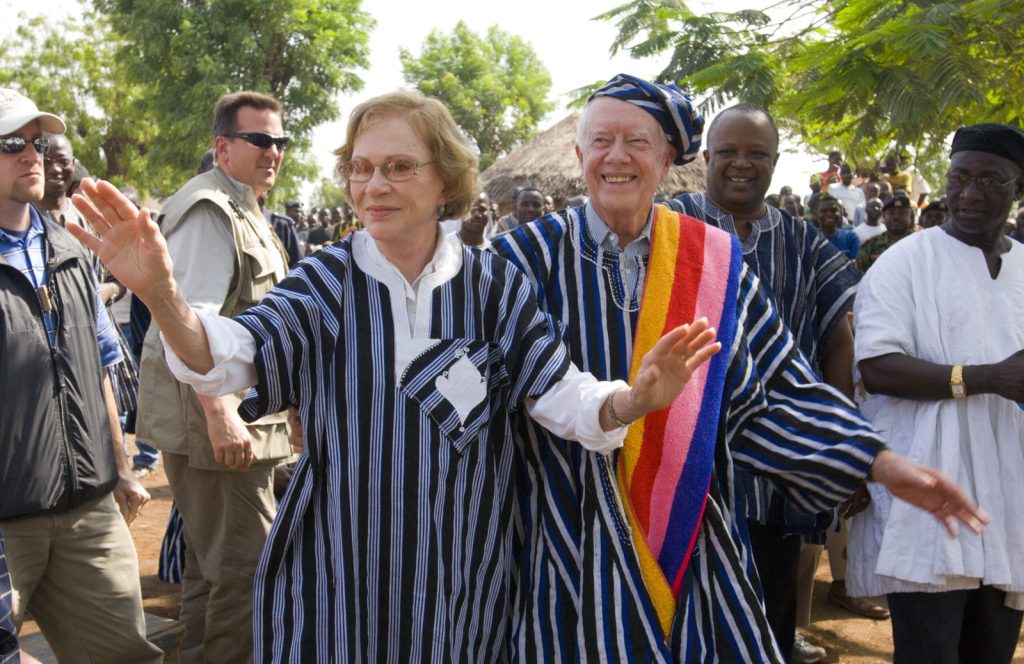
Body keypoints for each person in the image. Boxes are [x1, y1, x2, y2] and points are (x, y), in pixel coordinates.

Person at [71, 89, 722, 663]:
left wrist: (631, 400)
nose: (373, 184)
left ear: (447, 182)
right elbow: (229, 354)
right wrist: (162, 294)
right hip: (339, 583)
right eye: (360, 168)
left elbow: (561, 394)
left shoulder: (493, 287)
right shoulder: (326, 284)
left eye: (398, 167)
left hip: (464, 584)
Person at [491, 73, 987, 663]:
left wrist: (877, 462)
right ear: (578, 155)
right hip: (562, 540)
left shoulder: (712, 262)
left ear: (668, 158)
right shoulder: (518, 259)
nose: (616, 157)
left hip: (690, 540)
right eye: (601, 141)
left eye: (637, 143)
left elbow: (775, 392)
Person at [666, 102, 864, 662]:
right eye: (728, 151)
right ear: (707, 157)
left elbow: (837, 338)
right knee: (682, 615)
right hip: (684, 459)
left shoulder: (802, 241)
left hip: (776, 469)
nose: (741, 164)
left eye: (757, 153)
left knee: (770, 614)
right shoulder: (671, 224)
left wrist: (834, 438)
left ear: (775, 162)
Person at [848, 122, 1024, 663]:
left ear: (1017, 189)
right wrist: (985, 377)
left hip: (1010, 495)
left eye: (990, 181)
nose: (970, 193)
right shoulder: (906, 261)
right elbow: (878, 368)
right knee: (930, 653)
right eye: (960, 177)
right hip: (927, 496)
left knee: (991, 651)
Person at [131, 90, 294, 663]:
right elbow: (190, 322)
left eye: (280, 141)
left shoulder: (244, 202)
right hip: (220, 426)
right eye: (259, 140)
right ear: (223, 147)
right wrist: (222, 414)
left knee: (209, 569)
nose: (273, 151)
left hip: (240, 420)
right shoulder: (210, 208)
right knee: (246, 576)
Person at [0, 88, 161, 663]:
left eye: (36, 142)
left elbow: (97, 367)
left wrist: (119, 467)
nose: (31, 156)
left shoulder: (69, 249)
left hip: (88, 510)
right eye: (10, 143)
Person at [856, 193, 915, 272]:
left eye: (901, 213)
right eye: (891, 213)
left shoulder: (918, 244)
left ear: (910, 216)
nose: (896, 217)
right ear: (883, 216)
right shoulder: (871, 245)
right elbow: (862, 275)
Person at [814, 192, 860, 261]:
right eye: (824, 211)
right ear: (815, 214)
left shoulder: (851, 238)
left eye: (833, 210)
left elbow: (853, 265)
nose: (829, 214)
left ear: (840, 213)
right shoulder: (809, 239)